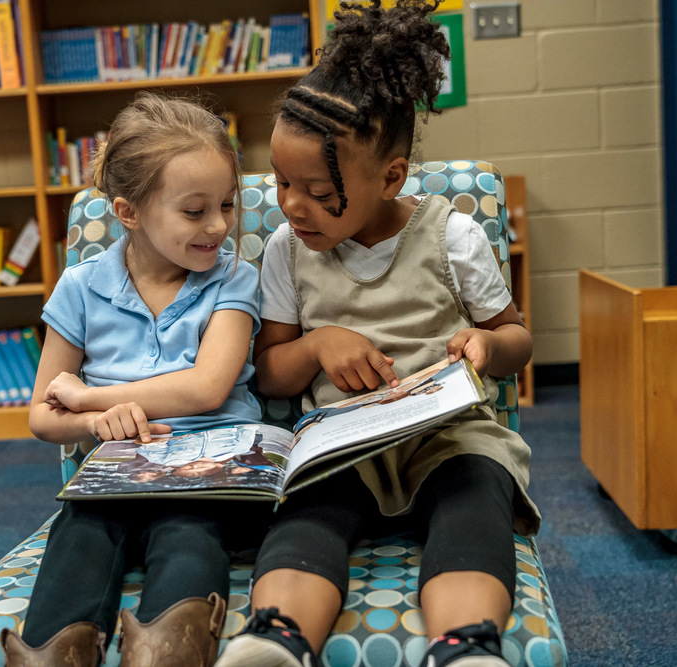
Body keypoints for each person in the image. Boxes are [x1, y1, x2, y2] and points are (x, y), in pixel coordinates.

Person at [215, 2, 540, 666]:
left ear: (390, 176)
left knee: (475, 502)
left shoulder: (452, 234)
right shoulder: (285, 248)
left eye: (314, 188)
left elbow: (516, 338)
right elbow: (271, 371)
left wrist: (486, 347)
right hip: (342, 444)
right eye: (280, 182)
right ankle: (275, 638)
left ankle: (466, 643)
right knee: (304, 517)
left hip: (449, 436)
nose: (291, 204)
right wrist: (315, 344)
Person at [0, 92, 264, 667]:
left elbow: (206, 389)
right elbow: (43, 414)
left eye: (226, 204)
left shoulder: (234, 280)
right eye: (195, 212)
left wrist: (90, 394)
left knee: (190, 538)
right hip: (115, 476)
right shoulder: (79, 287)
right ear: (129, 212)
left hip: (208, 477)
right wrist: (96, 421)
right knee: (79, 536)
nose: (217, 225)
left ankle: (163, 656)